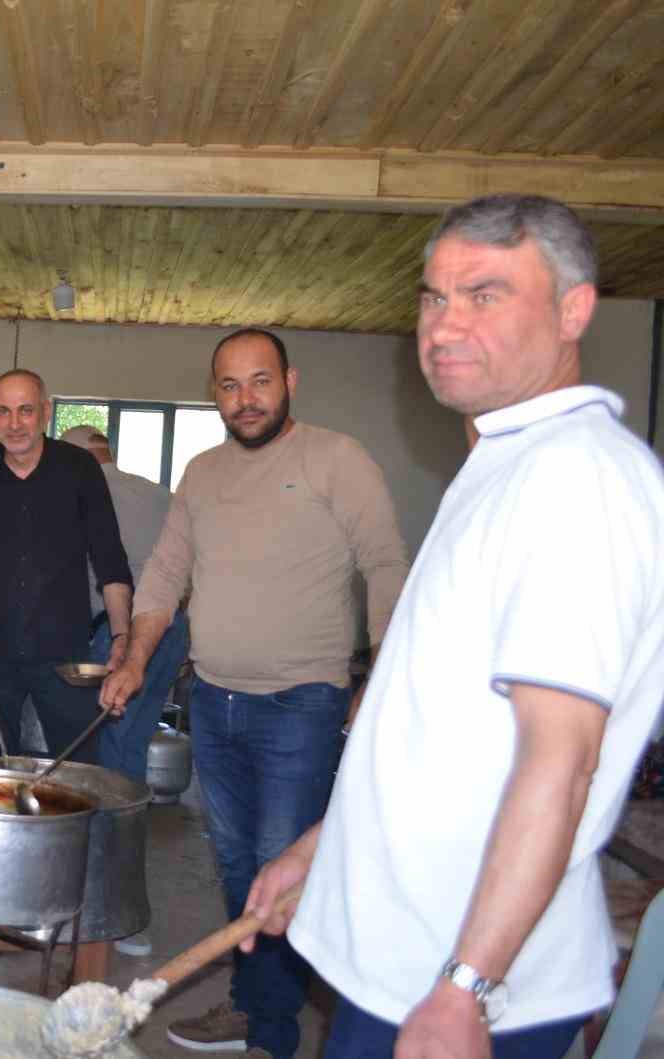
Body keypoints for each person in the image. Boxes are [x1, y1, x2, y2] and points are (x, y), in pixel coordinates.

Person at [246, 194, 664, 1059]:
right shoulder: (503, 462)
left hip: (464, 985)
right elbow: (444, 730)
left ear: (573, 309)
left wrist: (467, 985)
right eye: (434, 297)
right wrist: (327, 843)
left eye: (485, 293)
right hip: (410, 957)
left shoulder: (574, 479)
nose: (444, 323)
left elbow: (563, 757)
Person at [103, 328, 410, 1058]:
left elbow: (388, 567)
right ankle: (263, 1004)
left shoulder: (337, 459)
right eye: (230, 385)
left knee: (282, 863)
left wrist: (382, 681)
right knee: (239, 866)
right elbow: (164, 575)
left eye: (260, 381)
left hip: (300, 704)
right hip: (213, 700)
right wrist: (136, 657)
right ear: (214, 393)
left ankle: (272, 1028)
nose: (246, 399)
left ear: (289, 381)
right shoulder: (203, 473)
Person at [0, 370, 133, 767]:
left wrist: (122, 634)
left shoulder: (79, 470)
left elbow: (110, 561)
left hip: (65, 651)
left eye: (25, 411)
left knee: (77, 766)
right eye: (4, 412)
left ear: (46, 412)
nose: (15, 424)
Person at [60, 424, 185, 959]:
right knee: (128, 752)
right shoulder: (161, 495)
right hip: (172, 634)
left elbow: (78, 578)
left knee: (105, 765)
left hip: (115, 637)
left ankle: (112, 909)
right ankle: (114, 904)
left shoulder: (80, 491)